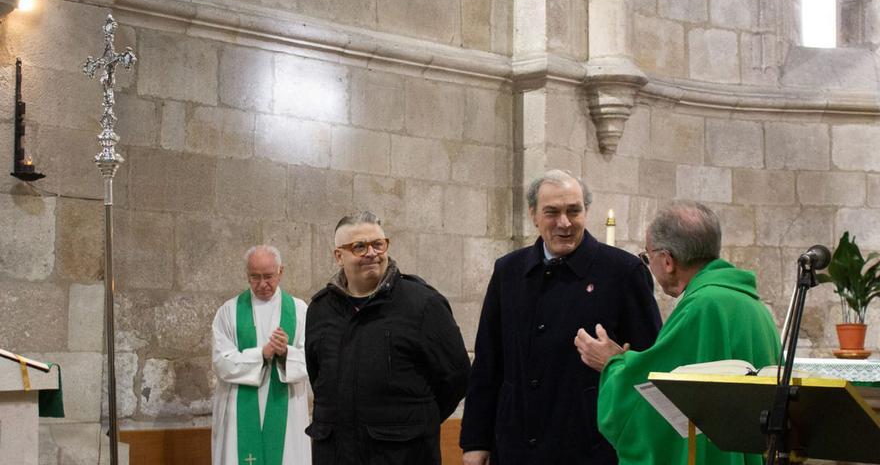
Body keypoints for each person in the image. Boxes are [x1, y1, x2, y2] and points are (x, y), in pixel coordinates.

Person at [460, 169, 662, 465]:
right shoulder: (509, 271)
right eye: (552, 212)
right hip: (516, 445)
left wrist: (619, 360)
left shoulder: (623, 272)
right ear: (534, 215)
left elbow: (652, 362)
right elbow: (488, 361)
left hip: (591, 447)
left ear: (586, 211)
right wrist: (475, 441)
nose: (564, 223)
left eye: (573, 211)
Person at [575, 201, 781, 465]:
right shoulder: (752, 305)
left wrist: (612, 364)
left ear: (668, 261)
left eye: (647, 257)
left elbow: (657, 392)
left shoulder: (702, 308)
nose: (650, 265)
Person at [305, 211, 471, 465]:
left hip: (402, 454)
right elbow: (318, 376)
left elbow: (456, 377)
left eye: (378, 244)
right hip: (335, 453)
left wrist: (413, 420)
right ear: (339, 256)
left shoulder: (423, 305)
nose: (372, 253)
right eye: (359, 247)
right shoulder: (320, 310)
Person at [211, 245, 310, 465]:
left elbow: (312, 360)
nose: (262, 284)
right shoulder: (228, 311)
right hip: (240, 408)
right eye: (254, 277)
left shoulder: (300, 310)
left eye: (268, 276)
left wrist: (285, 353)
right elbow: (221, 362)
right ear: (246, 275)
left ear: (280, 272)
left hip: (287, 405)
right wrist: (261, 355)